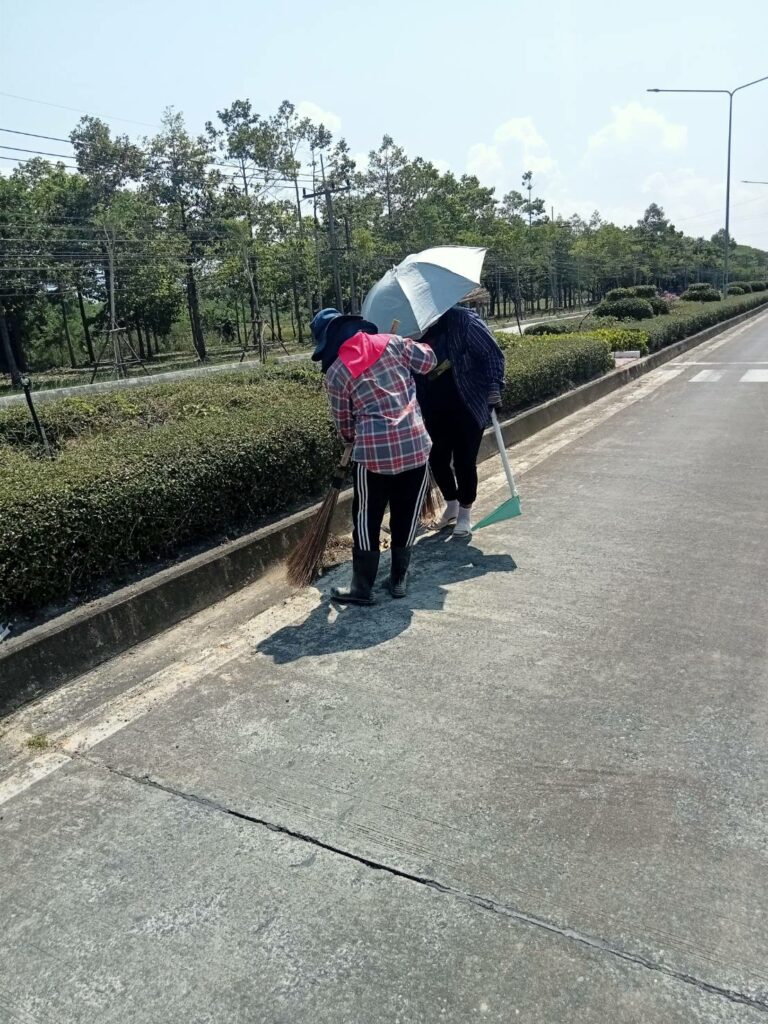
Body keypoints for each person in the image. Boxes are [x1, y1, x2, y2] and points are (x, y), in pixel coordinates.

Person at [310, 308, 437, 604]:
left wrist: (350, 438)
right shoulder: (394, 343)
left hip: (372, 456)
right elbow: (429, 361)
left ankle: (362, 588)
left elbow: (344, 423)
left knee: (367, 517)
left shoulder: (336, 372)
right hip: (415, 446)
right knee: (407, 513)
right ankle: (398, 579)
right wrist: (403, 345)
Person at [417, 305, 505, 537]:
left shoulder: (463, 321)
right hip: (433, 407)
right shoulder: (412, 331)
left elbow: (491, 354)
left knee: (464, 461)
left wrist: (494, 386)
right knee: (437, 459)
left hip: (468, 403)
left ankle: (465, 513)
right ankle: (452, 505)